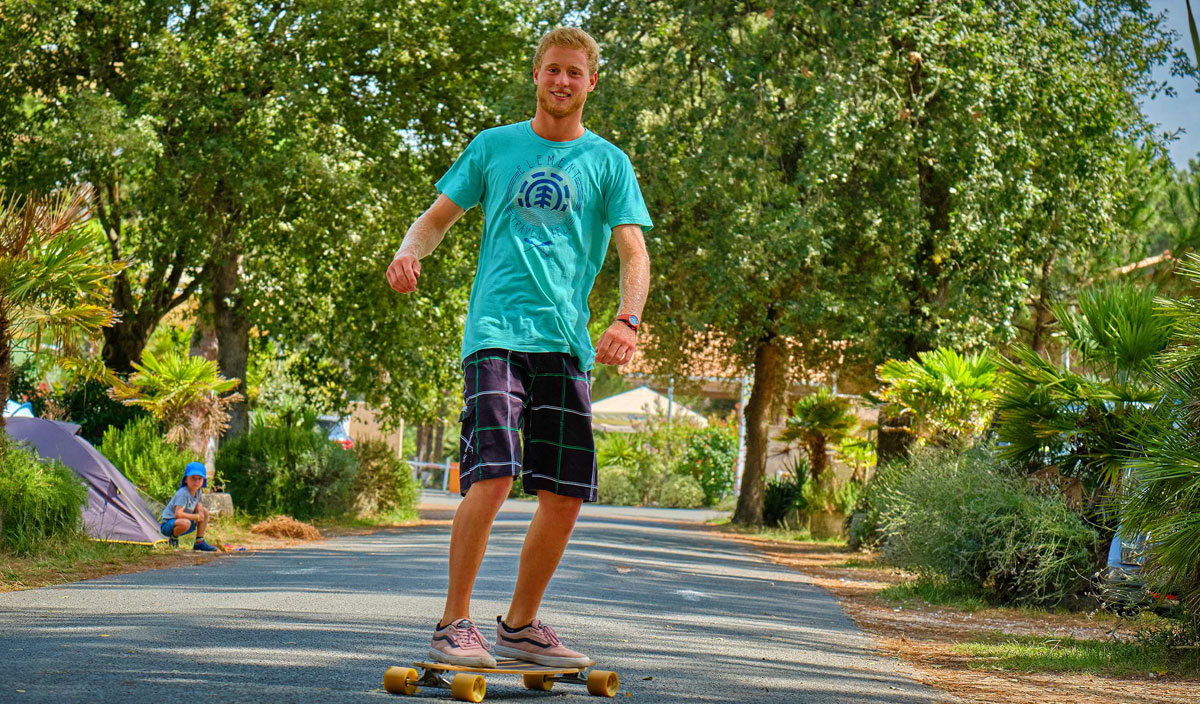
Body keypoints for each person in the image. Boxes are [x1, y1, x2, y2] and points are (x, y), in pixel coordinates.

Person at [386, 27, 652, 668]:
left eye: (574, 73)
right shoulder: (493, 147)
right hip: (496, 338)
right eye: (552, 70)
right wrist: (407, 251)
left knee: (564, 493)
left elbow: (633, 251)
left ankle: (521, 626)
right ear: (536, 75)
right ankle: (454, 623)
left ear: (591, 82)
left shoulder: (609, 163)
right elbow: (435, 219)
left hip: (565, 343)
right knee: (496, 472)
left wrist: (628, 320)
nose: (562, 82)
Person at [160, 461, 218, 551]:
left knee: (204, 511)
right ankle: (173, 538)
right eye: (193, 478)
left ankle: (199, 541)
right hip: (169, 525)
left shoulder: (198, 491)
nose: (196, 482)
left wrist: (199, 508)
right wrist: (196, 516)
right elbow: (178, 514)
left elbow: (198, 503)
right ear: (186, 479)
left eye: (199, 479)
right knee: (186, 523)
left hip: (186, 522)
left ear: (203, 481)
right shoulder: (183, 493)